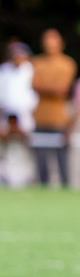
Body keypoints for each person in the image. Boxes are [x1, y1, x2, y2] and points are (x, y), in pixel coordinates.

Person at [30, 28, 76, 187]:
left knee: (62, 159)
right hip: (40, 118)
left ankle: (65, 187)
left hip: (60, 119)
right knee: (41, 160)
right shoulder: (37, 62)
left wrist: (46, 89)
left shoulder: (67, 63)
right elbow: (34, 85)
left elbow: (63, 89)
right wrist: (52, 90)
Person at [0, 41, 37, 186]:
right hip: (6, 117)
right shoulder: (4, 71)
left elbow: (33, 97)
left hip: (26, 117)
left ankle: (29, 178)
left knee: (28, 148)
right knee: (5, 150)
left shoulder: (31, 70)